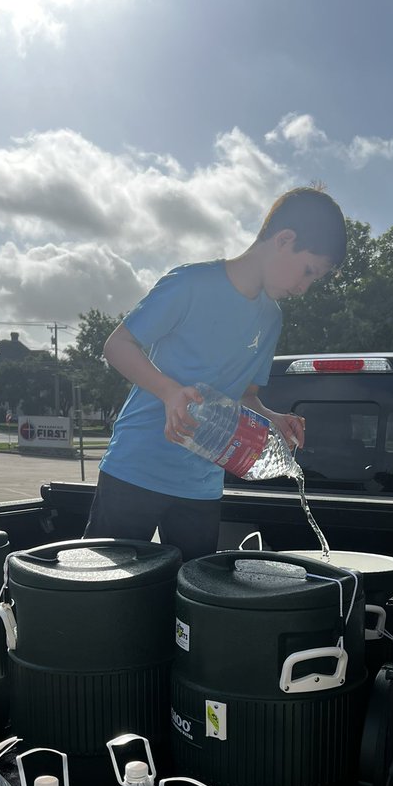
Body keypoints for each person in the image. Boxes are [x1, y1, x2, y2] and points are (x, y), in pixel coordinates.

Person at [83, 187, 347, 559]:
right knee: (105, 599)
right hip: (135, 469)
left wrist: (273, 419)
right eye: (308, 271)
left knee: (191, 608)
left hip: (202, 485)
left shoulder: (272, 318)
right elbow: (117, 345)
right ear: (284, 240)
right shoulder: (190, 283)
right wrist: (169, 391)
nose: (304, 289)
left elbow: (244, 393)